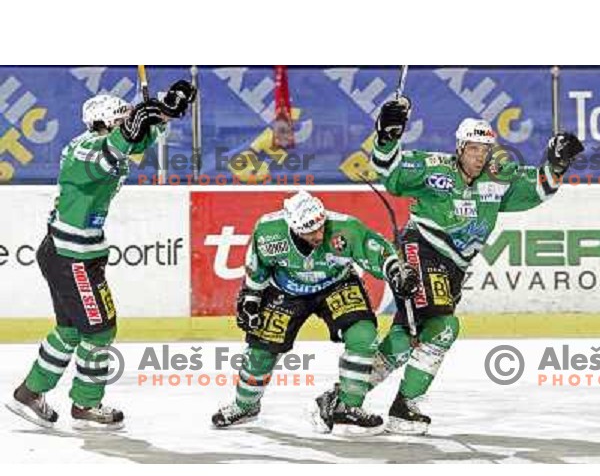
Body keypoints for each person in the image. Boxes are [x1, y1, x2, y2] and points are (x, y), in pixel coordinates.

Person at [315, 96, 584, 435]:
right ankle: (402, 405)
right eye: (473, 149)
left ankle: (342, 398)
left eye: (485, 150)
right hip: (423, 251)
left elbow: (538, 188)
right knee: (444, 328)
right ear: (459, 147)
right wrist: (387, 135)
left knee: (404, 338)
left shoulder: (495, 181)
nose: (479, 156)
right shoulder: (432, 168)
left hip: (454, 269)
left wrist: (556, 165)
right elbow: (390, 173)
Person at [6, 80, 196, 430]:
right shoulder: (84, 150)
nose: (126, 123)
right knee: (100, 331)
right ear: (103, 122)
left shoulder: (109, 141)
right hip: (71, 256)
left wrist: (167, 109)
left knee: (71, 331)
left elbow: (138, 137)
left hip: (70, 253)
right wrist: (141, 116)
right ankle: (86, 404)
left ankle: (29, 393)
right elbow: (114, 148)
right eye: (120, 119)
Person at [211, 190, 418, 436]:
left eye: (320, 226)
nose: (319, 235)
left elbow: (373, 247)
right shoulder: (268, 232)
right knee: (260, 351)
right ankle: (245, 406)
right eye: (310, 231)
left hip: (336, 284)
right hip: (286, 290)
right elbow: (258, 266)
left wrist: (395, 270)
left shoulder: (344, 227)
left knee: (363, 336)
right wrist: (252, 297)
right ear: (293, 227)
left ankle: (347, 407)